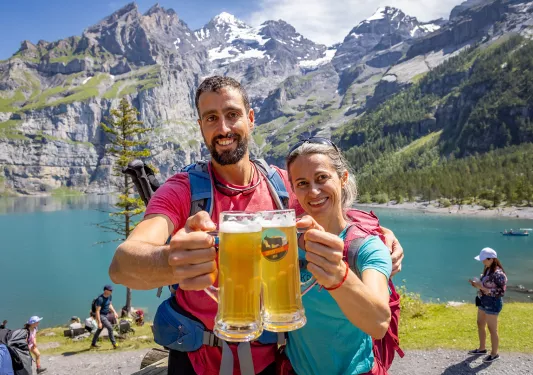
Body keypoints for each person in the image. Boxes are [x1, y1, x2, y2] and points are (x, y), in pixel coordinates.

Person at [109, 76, 405, 375]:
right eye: (211, 118)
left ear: (250, 119)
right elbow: (122, 265)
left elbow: (332, 212)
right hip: (196, 361)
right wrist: (172, 261)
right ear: (201, 127)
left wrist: (381, 236)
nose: (223, 128)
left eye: (232, 115)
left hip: (267, 360)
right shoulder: (182, 190)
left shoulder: (281, 187)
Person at [283, 138, 392, 375]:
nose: (313, 191)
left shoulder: (366, 247)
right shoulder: (285, 241)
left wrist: (338, 275)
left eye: (322, 178)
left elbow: (379, 323)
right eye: (302, 183)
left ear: (342, 179)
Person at [468, 247, 507, 363]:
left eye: (484, 259)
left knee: (492, 329)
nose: (482, 261)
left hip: (493, 303)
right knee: (480, 323)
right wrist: (478, 285)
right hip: (484, 301)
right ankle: (482, 348)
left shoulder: (499, 274)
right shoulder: (488, 269)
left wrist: (483, 288)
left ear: (491, 259)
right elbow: (486, 285)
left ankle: (494, 354)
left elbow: (501, 291)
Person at [90, 285, 119, 349]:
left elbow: (110, 305)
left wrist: (114, 312)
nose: (111, 291)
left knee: (99, 330)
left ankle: (93, 344)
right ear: (106, 290)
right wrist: (99, 322)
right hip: (101, 315)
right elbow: (97, 311)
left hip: (106, 315)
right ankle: (114, 344)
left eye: (112, 290)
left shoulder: (110, 296)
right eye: (110, 290)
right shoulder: (100, 299)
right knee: (110, 328)